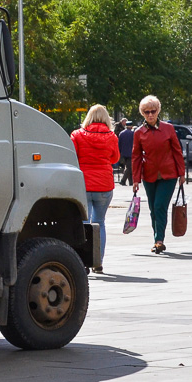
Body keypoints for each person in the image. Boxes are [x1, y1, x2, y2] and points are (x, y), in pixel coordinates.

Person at [131, 95, 186, 254]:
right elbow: (136, 156)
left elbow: (177, 151)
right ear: (143, 113)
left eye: (153, 111)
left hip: (169, 175)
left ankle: (159, 240)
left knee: (159, 206)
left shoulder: (168, 129)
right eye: (147, 112)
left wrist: (181, 173)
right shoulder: (139, 132)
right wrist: (135, 179)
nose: (150, 114)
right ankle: (157, 238)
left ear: (158, 111)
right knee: (153, 209)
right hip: (149, 175)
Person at [72, 105, 121, 273]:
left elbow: (73, 156)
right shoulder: (112, 137)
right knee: (99, 223)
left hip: (83, 183)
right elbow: (115, 158)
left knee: (84, 222)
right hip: (104, 185)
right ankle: (98, 262)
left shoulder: (77, 135)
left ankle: (83, 262)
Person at [117, 119, 135, 186]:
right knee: (129, 168)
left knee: (128, 167)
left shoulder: (121, 133)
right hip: (131, 152)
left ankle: (131, 182)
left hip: (123, 153)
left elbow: (119, 144)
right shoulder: (133, 133)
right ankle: (123, 180)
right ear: (131, 126)